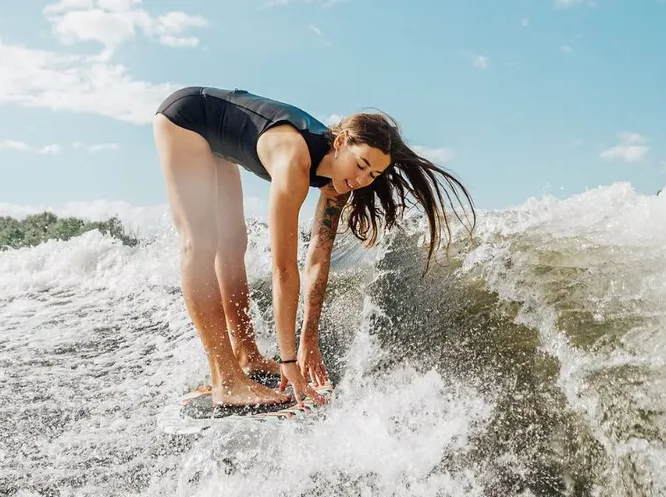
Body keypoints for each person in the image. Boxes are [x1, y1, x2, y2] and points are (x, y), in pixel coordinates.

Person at [152, 86, 475, 413]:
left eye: (373, 174)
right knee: (201, 241)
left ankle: (246, 356)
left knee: (234, 241)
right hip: (188, 120)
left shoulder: (339, 184)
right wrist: (289, 359)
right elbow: (283, 269)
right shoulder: (294, 162)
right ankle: (226, 379)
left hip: (219, 140)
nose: (362, 179)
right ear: (340, 143)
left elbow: (318, 261)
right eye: (361, 164)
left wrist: (308, 340)